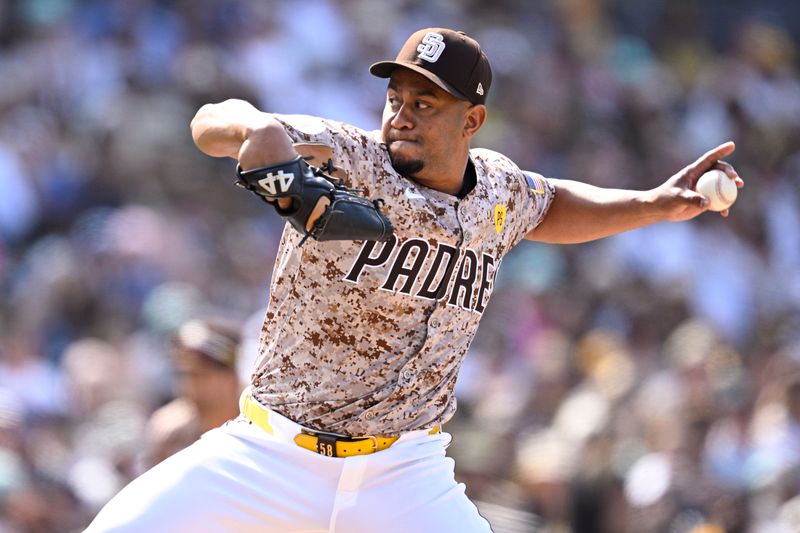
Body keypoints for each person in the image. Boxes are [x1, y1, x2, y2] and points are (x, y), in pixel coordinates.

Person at [86, 27, 743, 532]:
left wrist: (657, 202)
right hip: (270, 453)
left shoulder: (498, 193)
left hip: (402, 473)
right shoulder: (350, 158)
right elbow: (214, 126)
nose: (401, 112)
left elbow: (554, 203)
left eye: (424, 101)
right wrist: (262, 137)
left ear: (472, 120)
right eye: (395, 96)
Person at [144, 318, 243, 467]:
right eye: (182, 374)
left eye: (200, 375)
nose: (189, 385)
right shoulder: (171, 434)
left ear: (232, 377)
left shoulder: (261, 425)